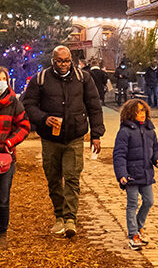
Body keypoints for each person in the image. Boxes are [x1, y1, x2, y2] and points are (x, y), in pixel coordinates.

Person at [23, 45, 105, 238]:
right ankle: (59, 215)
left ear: (72, 60)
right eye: (59, 61)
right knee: (53, 179)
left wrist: (96, 134)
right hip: (50, 139)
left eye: (66, 60)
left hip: (75, 137)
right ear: (53, 60)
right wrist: (43, 118)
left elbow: (94, 106)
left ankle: (70, 219)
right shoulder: (40, 80)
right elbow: (28, 105)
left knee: (72, 178)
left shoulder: (83, 79)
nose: (63, 64)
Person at [113, 99, 158, 251]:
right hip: (131, 175)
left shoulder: (150, 130)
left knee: (149, 201)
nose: (141, 114)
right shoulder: (124, 132)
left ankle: (138, 226)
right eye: (138, 112)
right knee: (132, 204)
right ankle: (133, 234)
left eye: (143, 111)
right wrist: (122, 174)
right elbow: (119, 155)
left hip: (146, 173)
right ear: (130, 113)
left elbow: (155, 149)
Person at [0, 67, 30, 236]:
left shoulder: (14, 103)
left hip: (6, 156)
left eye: (3, 79)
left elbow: (24, 126)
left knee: (3, 197)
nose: (0, 83)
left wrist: (10, 142)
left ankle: (2, 230)